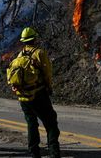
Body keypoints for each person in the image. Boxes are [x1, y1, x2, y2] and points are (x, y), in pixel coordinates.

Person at [8, 27, 61, 158]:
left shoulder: (19, 55)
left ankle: (34, 152)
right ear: (34, 39)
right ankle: (54, 152)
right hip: (38, 94)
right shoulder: (39, 53)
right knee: (50, 122)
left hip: (23, 97)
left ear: (23, 41)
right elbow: (47, 73)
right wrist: (49, 87)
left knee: (31, 123)